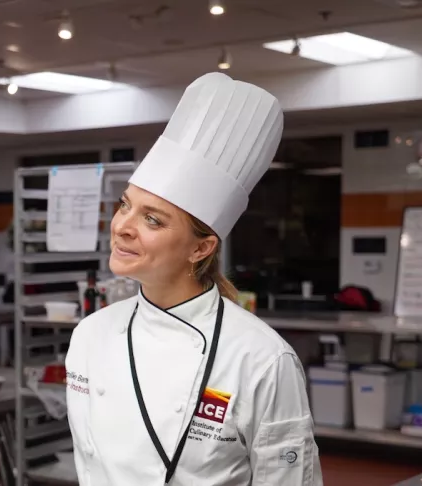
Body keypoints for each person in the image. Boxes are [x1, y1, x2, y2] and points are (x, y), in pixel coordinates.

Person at [65, 72, 323, 485]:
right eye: (125, 206)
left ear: (200, 248)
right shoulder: (90, 335)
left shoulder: (262, 359)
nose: (123, 226)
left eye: (152, 219)